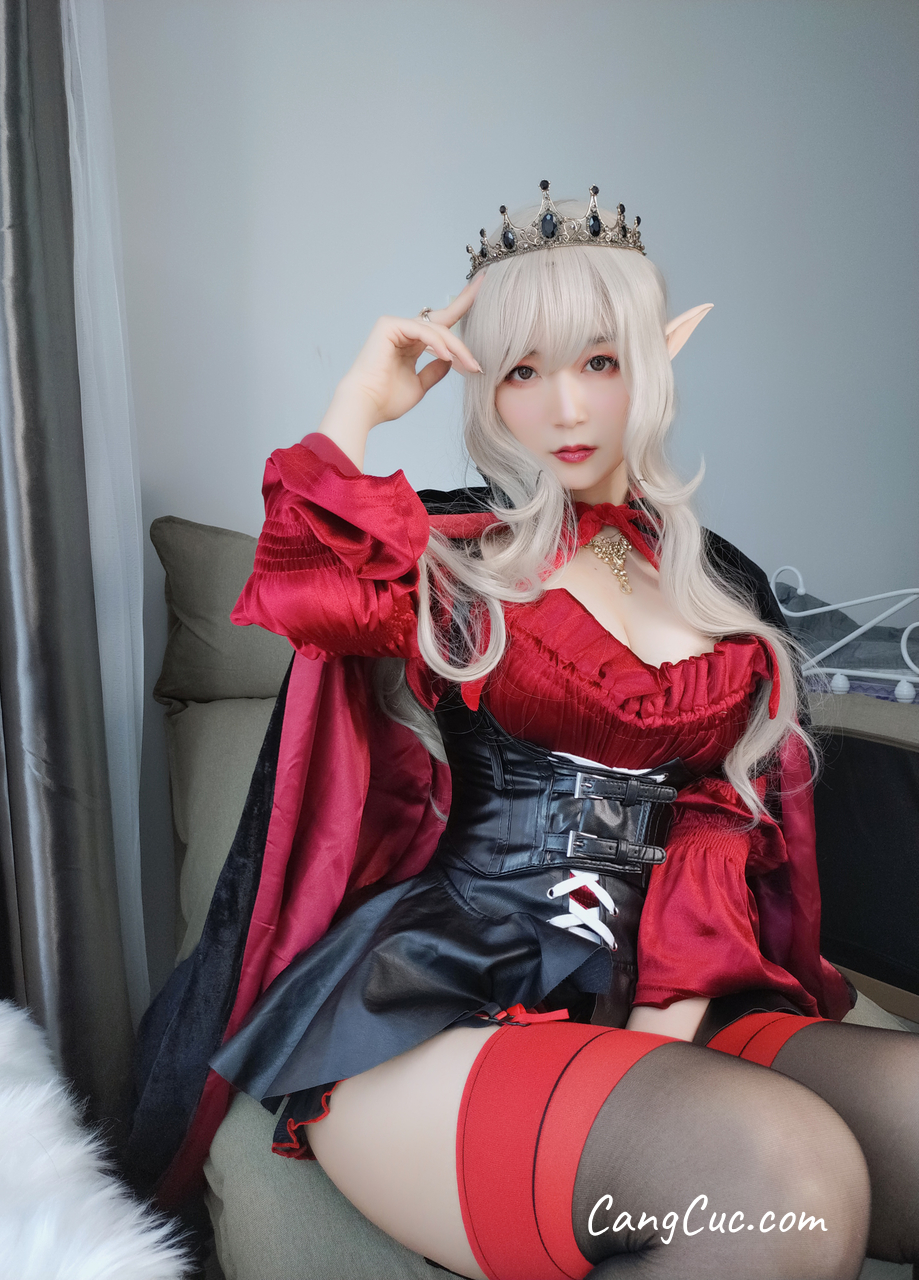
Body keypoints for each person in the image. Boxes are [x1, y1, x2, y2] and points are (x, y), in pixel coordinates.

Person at [141, 185, 919, 1280]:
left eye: (599, 361)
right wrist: (357, 408)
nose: (564, 408)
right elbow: (312, 588)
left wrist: (658, 1035)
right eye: (521, 370)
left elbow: (718, 834)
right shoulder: (457, 553)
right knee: (783, 1178)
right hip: (435, 1004)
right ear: (484, 386)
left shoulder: (723, 590)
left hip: (659, 991)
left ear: (660, 355)